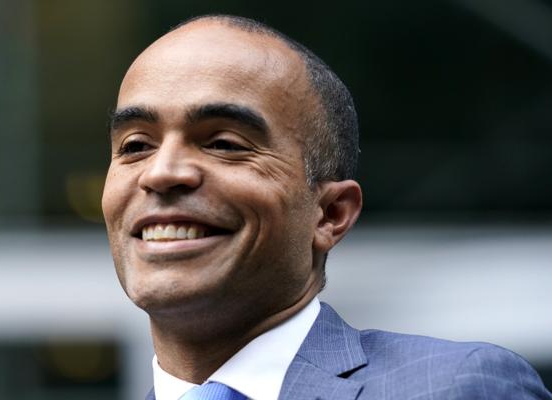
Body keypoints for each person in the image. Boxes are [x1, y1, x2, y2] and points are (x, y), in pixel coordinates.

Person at [101, 14, 551, 400]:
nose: (161, 173)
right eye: (136, 145)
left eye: (224, 143)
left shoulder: (456, 387)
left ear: (331, 213)